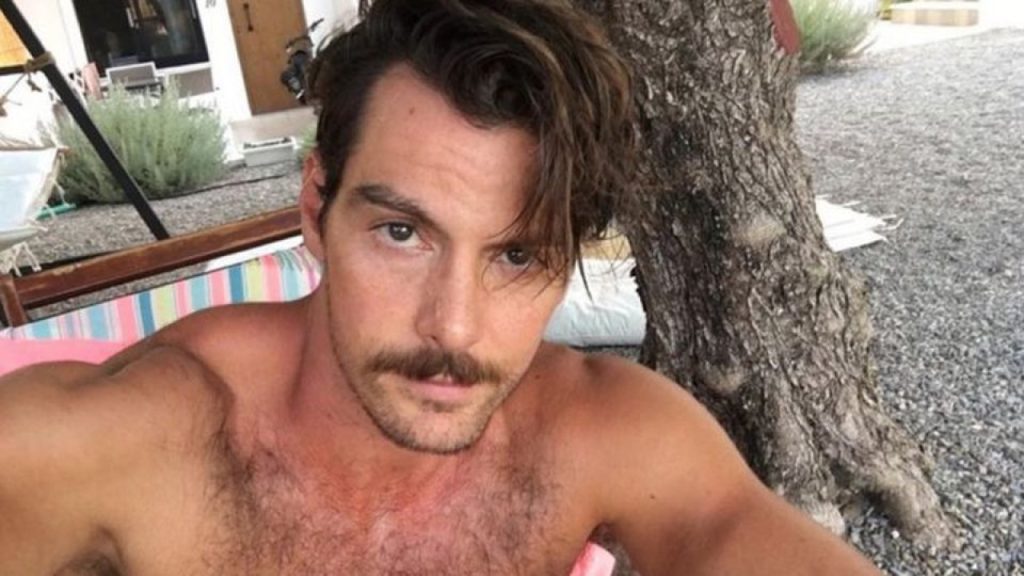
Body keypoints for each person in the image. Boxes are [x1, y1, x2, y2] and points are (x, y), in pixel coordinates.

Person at [0, 0, 882, 574]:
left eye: (517, 257)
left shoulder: (596, 432)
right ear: (316, 206)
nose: (454, 329)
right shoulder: (137, 437)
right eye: (402, 233)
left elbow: (734, 532)